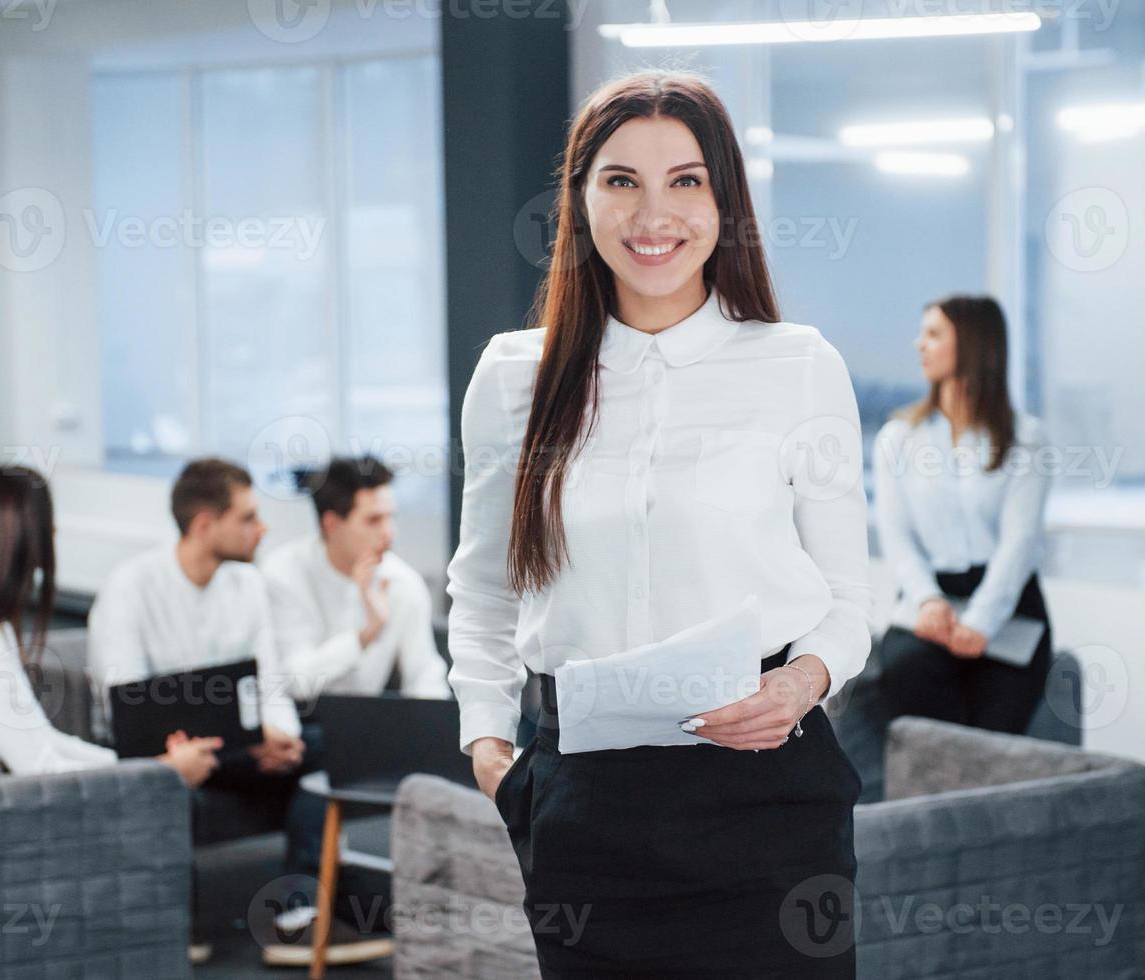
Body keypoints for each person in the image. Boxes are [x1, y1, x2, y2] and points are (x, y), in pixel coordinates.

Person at [446, 70, 872, 977]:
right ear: (580, 198)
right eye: (620, 181)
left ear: (724, 198)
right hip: (583, 804)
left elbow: (847, 599)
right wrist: (490, 749)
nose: (654, 216)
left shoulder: (796, 365)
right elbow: (483, 585)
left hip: (766, 793)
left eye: (685, 181)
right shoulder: (512, 378)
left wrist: (802, 685)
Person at [87, 457, 389, 967]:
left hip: (238, 751)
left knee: (324, 747)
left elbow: (269, 681)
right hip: (164, 758)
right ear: (206, 525)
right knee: (167, 772)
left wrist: (278, 734)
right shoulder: (130, 588)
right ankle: (171, 922)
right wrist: (232, 743)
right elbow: (128, 707)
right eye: (248, 518)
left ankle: (297, 915)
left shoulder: (247, 585)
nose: (262, 528)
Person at [0, 465, 220, 787]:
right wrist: (161, 772)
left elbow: (44, 741)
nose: (54, 534)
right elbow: (39, 769)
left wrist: (145, 764)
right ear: (24, 536)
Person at [870, 295, 1054, 735]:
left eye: (933, 334)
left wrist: (981, 622)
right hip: (928, 599)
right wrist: (927, 600)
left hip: (1009, 604)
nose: (919, 345)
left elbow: (1020, 542)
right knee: (915, 700)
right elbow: (896, 537)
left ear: (973, 345)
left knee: (991, 743)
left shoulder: (1027, 439)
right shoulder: (898, 438)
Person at [261, 456, 450, 700]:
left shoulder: (403, 582)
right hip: (300, 724)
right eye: (374, 520)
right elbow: (294, 682)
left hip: (367, 725)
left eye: (391, 517)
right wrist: (365, 635)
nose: (390, 532)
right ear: (331, 524)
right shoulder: (282, 573)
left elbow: (424, 676)